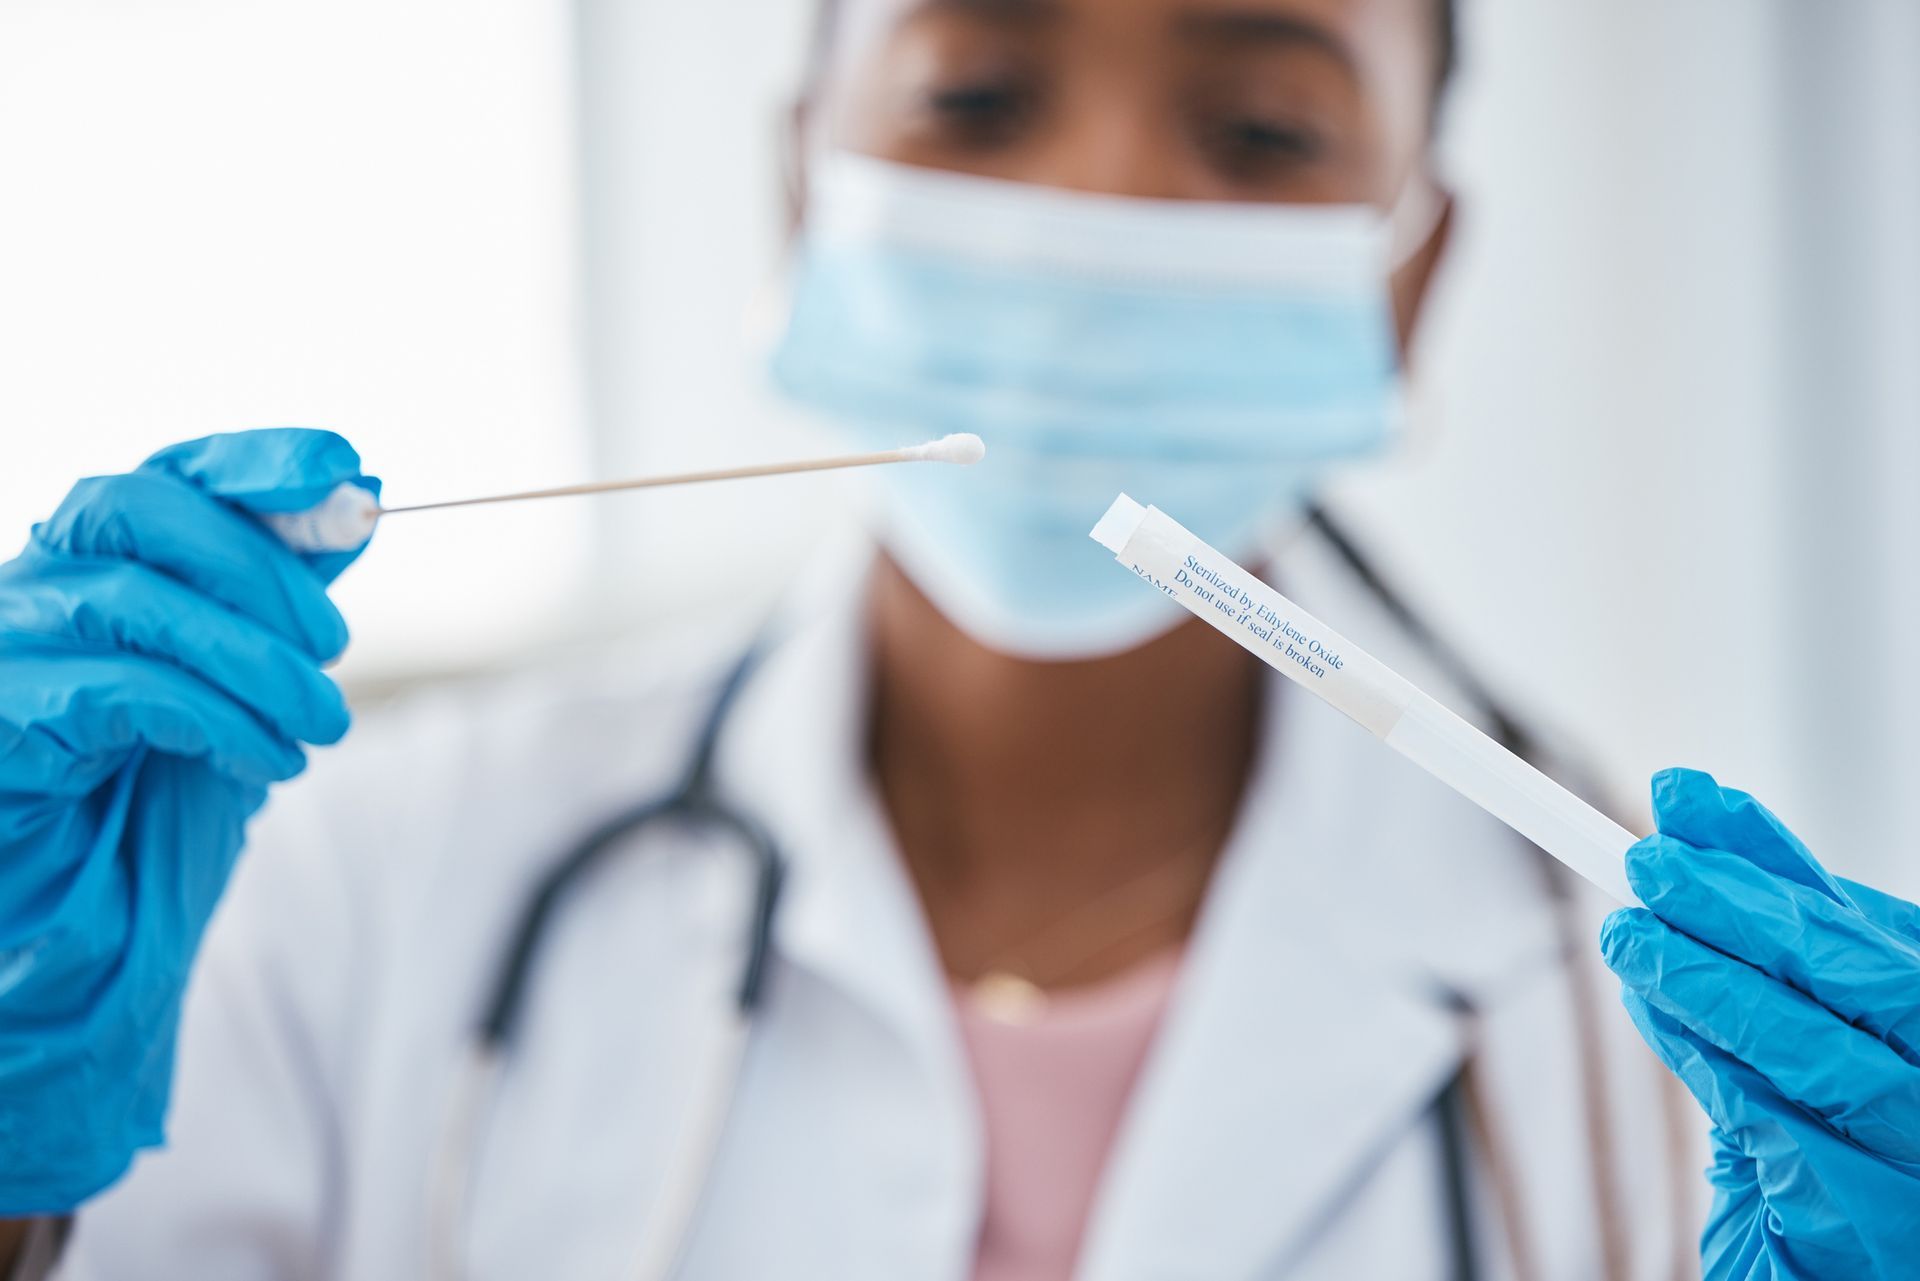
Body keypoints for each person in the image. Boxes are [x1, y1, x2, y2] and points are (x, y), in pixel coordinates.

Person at [1, 0, 1915, 1277]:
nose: (1100, 205)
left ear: (1412, 273)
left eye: (1258, 128)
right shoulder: (374, 885)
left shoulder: (1686, 1044)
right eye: (979, 95)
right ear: (799, 191)